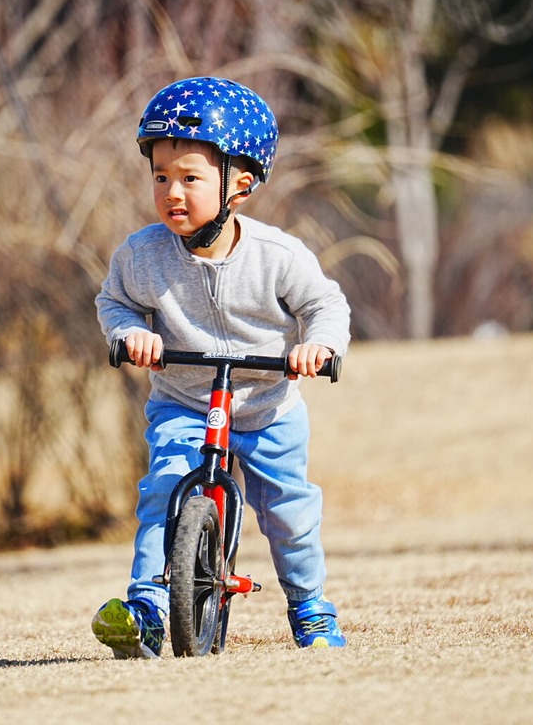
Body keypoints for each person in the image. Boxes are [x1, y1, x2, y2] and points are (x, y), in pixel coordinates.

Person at [91, 76, 352, 658]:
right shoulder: (143, 255)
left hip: (265, 406)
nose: (171, 193)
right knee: (164, 489)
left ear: (240, 184)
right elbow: (114, 301)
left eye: (190, 178)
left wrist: (319, 346)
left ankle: (310, 607)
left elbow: (325, 305)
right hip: (184, 401)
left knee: (289, 511)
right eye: (161, 177)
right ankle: (148, 610)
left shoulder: (277, 257)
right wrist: (131, 332)